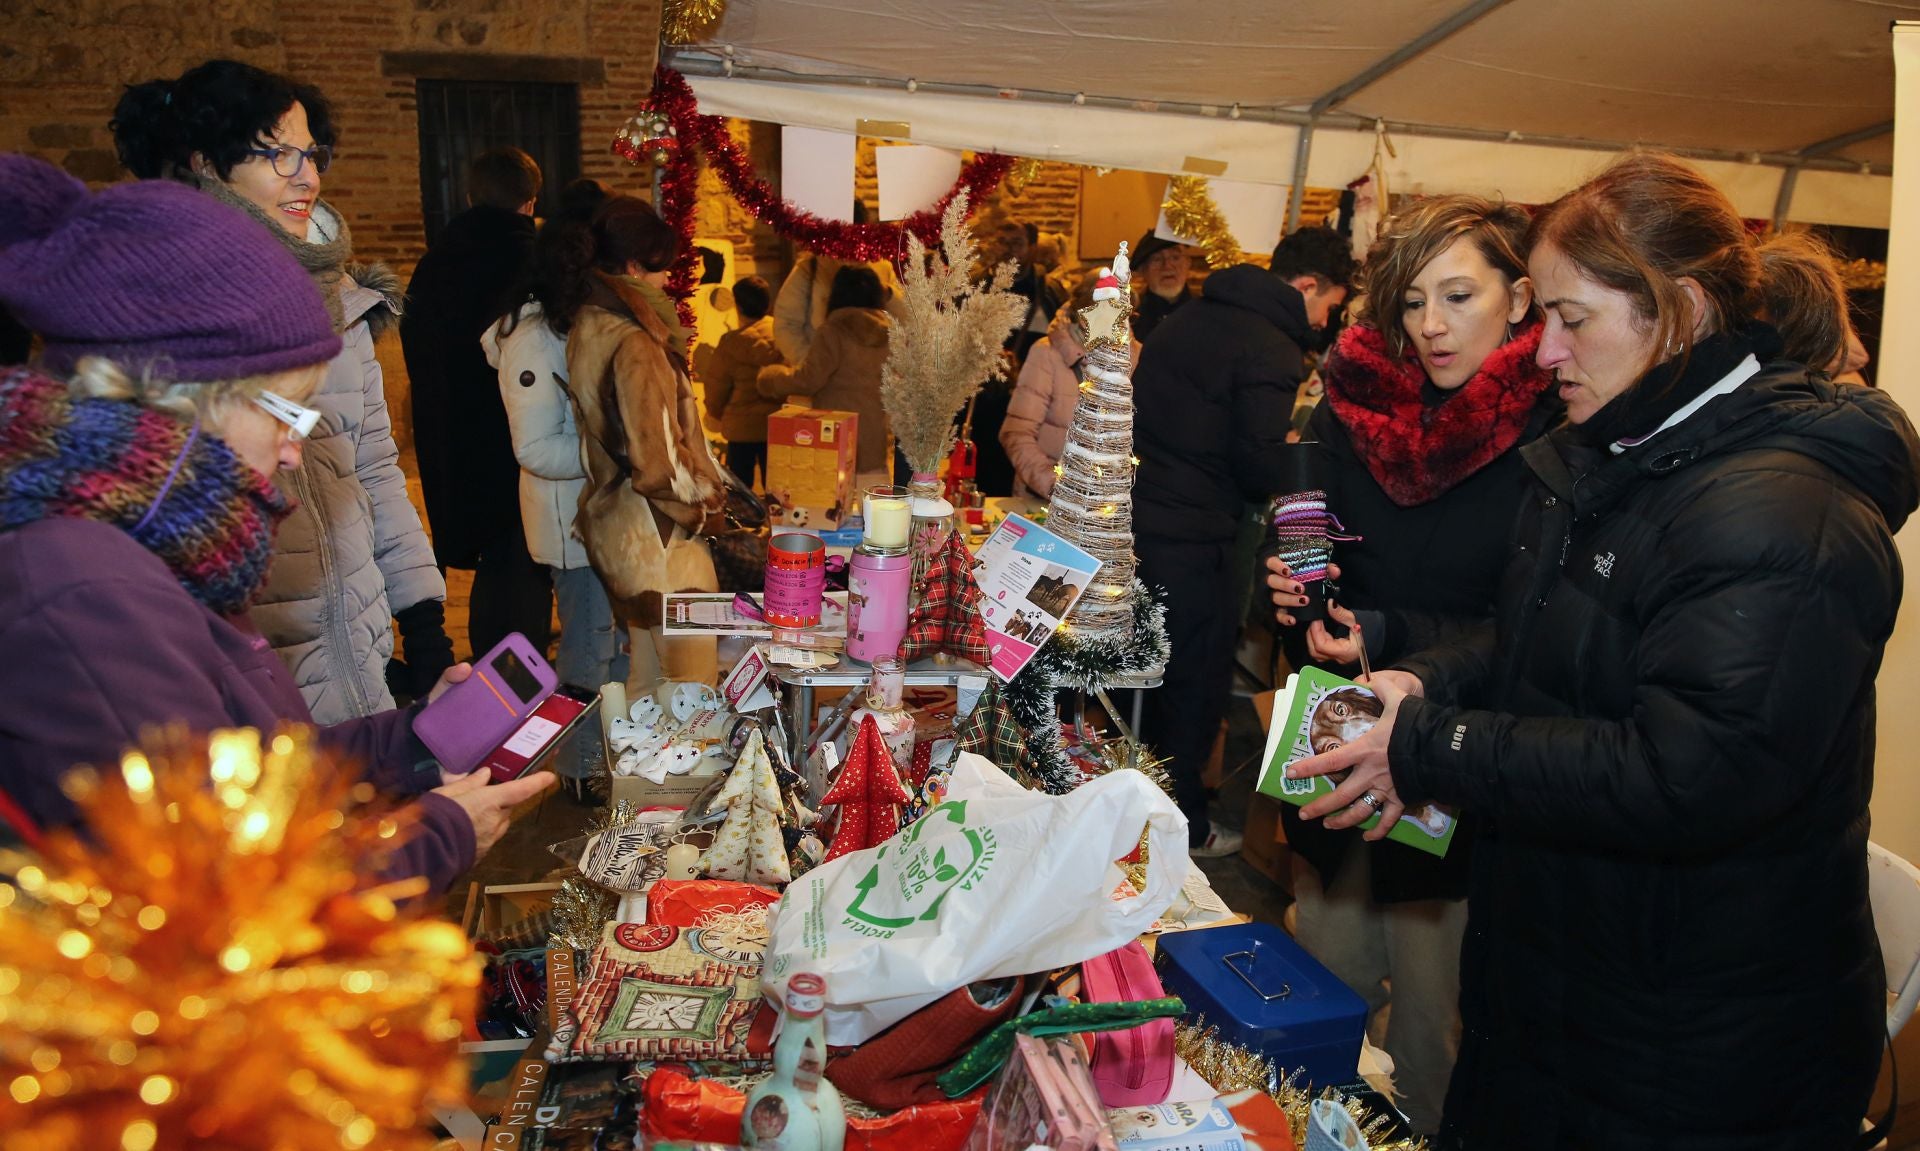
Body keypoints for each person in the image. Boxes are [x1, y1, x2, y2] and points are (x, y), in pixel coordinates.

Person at [1287, 153, 1918, 1149]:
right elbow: (1543, 640)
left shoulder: (1780, 511)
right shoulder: (1628, 452)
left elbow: (1689, 771)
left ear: (1683, 311)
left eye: (1570, 319)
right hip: (1571, 990)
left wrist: (1428, 744)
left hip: (1687, 1043)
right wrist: (1422, 676)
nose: (1543, 353)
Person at [0, 154, 553, 895]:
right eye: (285, 409)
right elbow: (210, 902)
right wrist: (438, 836)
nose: (295, 447)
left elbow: (259, 771)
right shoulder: (87, 590)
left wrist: (412, 740)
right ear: (176, 400)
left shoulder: (165, 541)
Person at [1262, 196, 1556, 1136]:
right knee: (1319, 996)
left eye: (1460, 295)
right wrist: (1299, 596)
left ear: (1519, 298)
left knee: (1432, 1033)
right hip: (1339, 737)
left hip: (1455, 767)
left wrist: (1390, 638)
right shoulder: (1357, 410)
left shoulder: (1555, 436)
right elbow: (1317, 551)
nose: (1433, 325)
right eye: (1417, 300)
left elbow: (1527, 629)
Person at [111, 60, 452, 722]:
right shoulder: (162, 317)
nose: (309, 176)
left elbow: (375, 471)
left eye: (311, 153)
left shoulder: (344, 305)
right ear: (209, 164)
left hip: (361, 659)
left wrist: (425, 625)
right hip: (249, 676)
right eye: (277, 155)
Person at [1133, 225, 1356, 857]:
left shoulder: (1189, 319)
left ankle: (1132, 819)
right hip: (1198, 539)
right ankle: (1182, 831)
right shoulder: (1272, 346)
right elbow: (1257, 466)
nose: (1325, 318)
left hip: (1143, 524)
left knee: (1146, 683)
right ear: (1308, 286)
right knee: (1193, 687)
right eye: (1329, 303)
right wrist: (1301, 457)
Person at [548, 194, 728, 694]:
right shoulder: (636, 340)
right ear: (632, 266)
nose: (667, 280)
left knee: (646, 687)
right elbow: (656, 463)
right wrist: (707, 503)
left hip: (619, 528)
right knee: (695, 696)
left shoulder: (588, 323)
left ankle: (635, 776)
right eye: (659, 269)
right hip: (663, 539)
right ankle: (683, 779)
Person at [484, 178, 624, 796]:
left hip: (599, 513)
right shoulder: (534, 336)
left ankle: (602, 757)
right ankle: (575, 769)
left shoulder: (573, 324)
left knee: (609, 643)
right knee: (587, 649)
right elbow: (536, 447)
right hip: (572, 521)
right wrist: (616, 458)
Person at [402, 146, 554, 662]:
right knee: (521, 566)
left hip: (453, 438)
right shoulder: (537, 262)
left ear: (469, 196)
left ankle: (495, 681)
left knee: (495, 562)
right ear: (531, 202)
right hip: (522, 438)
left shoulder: (434, 264)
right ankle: (516, 691)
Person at [1000, 271, 1142, 499]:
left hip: (1108, 504)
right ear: (1082, 310)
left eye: (1125, 313)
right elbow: (1016, 433)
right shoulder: (1046, 353)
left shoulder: (1138, 357)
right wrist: (1057, 487)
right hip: (1045, 501)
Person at [758, 266, 894, 479]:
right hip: (874, 438)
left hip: (836, 435)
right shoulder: (888, 334)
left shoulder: (833, 331)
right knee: (871, 501)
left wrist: (772, 379)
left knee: (835, 505)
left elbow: (808, 380)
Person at [771, 203, 904, 363]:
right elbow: (786, 324)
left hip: (870, 375)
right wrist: (811, 364)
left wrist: (888, 294)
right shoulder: (811, 268)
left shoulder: (881, 267)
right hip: (823, 375)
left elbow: (905, 320)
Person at [695, 274, 785, 488]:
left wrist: (714, 413)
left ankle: (746, 522)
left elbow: (717, 384)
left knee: (740, 491)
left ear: (738, 306)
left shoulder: (730, 343)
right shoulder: (782, 335)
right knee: (777, 490)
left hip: (740, 428)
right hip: (777, 425)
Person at [1130, 232, 1195, 344]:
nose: (1167, 266)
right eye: (1157, 259)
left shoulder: (1210, 314)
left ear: (1188, 263)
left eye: (1175, 257)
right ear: (1142, 270)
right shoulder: (1130, 320)